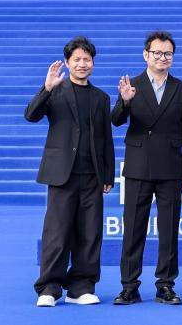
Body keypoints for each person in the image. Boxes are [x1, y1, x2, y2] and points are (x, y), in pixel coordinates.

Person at [24, 36, 115, 308]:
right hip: (61, 174)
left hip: (92, 176)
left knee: (90, 233)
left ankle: (81, 287)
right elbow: (30, 115)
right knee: (57, 232)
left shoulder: (101, 98)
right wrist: (46, 88)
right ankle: (49, 288)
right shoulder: (56, 91)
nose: (82, 64)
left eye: (87, 59)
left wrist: (108, 175)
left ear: (93, 63)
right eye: (77, 59)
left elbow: (106, 139)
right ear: (67, 62)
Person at [111, 31, 182, 307]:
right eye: (157, 53)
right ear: (146, 55)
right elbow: (116, 120)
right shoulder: (132, 85)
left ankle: (165, 285)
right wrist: (124, 101)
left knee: (169, 229)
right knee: (133, 228)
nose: (162, 57)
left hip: (170, 166)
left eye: (167, 53)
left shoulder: (181, 89)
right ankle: (129, 286)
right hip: (138, 165)